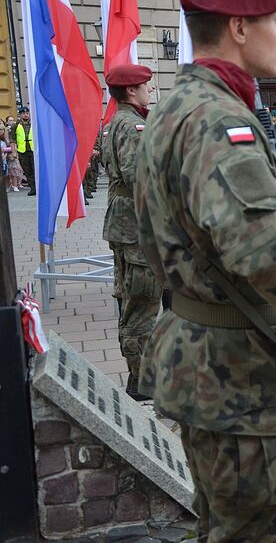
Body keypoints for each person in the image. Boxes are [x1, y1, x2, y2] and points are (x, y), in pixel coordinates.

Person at [134, 0, 276, 541]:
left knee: (221, 527)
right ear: (239, 27)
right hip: (239, 378)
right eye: (274, 19)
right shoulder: (219, 121)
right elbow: (265, 248)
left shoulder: (175, 107)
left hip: (201, 358)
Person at [101, 64, 163, 400]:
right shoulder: (132, 125)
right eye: (144, 85)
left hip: (125, 223)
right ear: (130, 91)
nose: (148, 90)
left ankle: (141, 375)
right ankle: (143, 380)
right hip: (138, 227)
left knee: (134, 300)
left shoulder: (116, 122)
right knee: (142, 303)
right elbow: (142, 179)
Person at [12, 106, 35, 195]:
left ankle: (37, 187)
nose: (25, 115)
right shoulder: (15, 125)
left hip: (33, 150)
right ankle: (32, 188)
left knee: (35, 169)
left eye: (27, 113)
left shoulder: (34, 123)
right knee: (27, 170)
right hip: (22, 151)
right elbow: (12, 139)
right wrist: (14, 152)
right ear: (20, 115)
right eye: (23, 113)